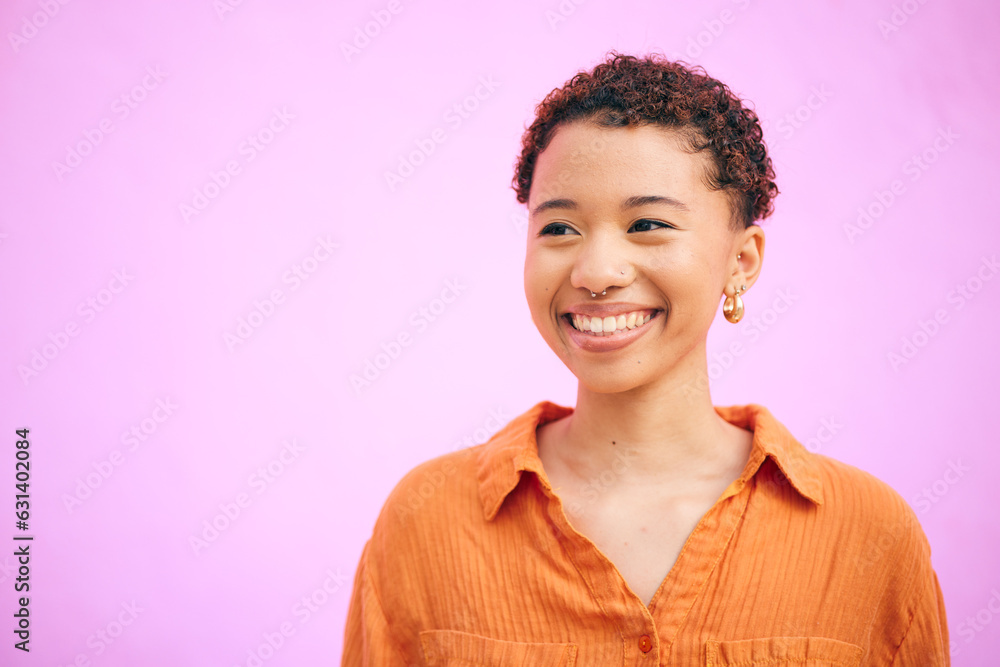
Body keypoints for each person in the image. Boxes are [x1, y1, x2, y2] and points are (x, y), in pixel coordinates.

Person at [342, 51, 950, 666]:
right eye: (558, 229)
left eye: (649, 223)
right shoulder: (426, 522)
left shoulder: (870, 532)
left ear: (742, 261)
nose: (597, 272)